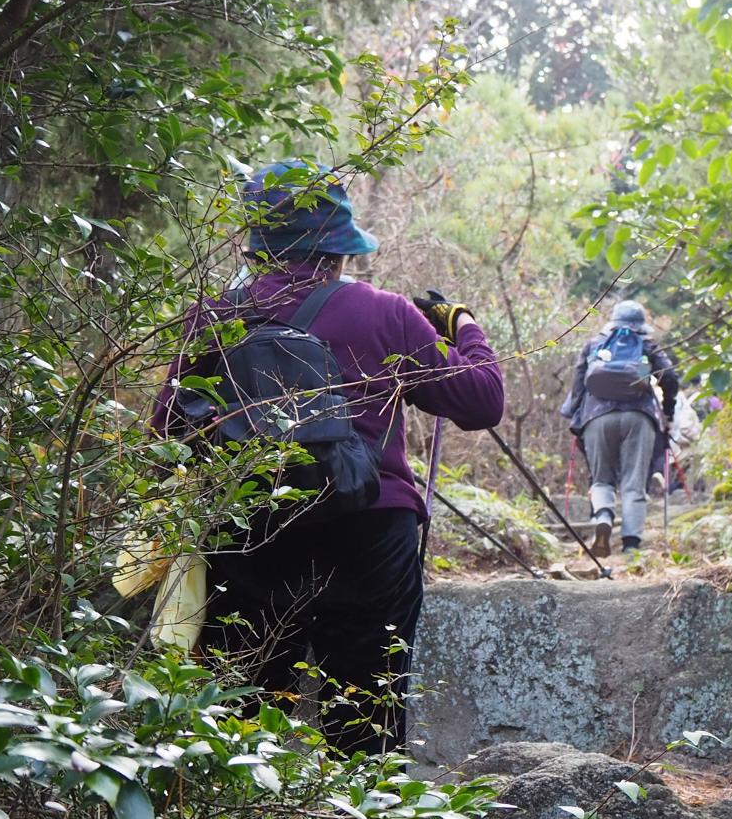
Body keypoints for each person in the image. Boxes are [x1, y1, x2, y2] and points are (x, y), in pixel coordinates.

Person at [152, 160, 506, 753]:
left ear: (255, 245)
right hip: (369, 527)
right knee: (366, 720)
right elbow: (481, 400)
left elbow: (165, 432)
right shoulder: (386, 312)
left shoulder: (215, 315)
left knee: (241, 721)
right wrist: (462, 325)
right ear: (340, 249)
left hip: (252, 530)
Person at [558, 299, 679, 558]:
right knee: (634, 483)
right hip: (640, 416)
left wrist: (573, 415)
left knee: (602, 478)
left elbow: (578, 385)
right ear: (640, 324)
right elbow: (670, 377)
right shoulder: (647, 345)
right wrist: (668, 412)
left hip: (597, 416)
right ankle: (631, 544)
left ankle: (602, 515)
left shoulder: (594, 344)